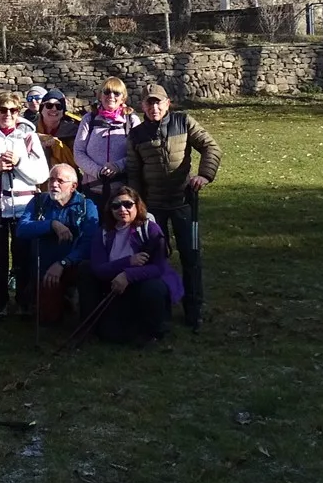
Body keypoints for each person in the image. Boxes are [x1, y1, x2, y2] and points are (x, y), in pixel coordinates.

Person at [127, 83, 222, 330]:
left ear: (168, 103)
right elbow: (134, 173)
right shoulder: (136, 135)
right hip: (152, 208)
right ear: (142, 106)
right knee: (155, 258)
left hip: (183, 203)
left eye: (158, 102)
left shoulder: (184, 121)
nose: (154, 107)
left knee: (191, 257)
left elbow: (211, 147)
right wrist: (138, 207)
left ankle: (194, 309)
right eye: (149, 102)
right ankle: (159, 308)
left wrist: (205, 176)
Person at [0, 92, 49, 319]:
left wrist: (19, 162)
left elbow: (41, 174)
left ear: (18, 113)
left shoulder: (29, 137)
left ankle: (24, 302)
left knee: (23, 255)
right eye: (3, 110)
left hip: (23, 204)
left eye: (12, 111)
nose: (7, 115)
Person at [79, 185, 181, 346]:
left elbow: (159, 267)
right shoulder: (103, 232)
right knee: (85, 269)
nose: (122, 209)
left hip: (142, 283)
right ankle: (89, 325)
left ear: (137, 205)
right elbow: (98, 268)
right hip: (114, 283)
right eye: (116, 206)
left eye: (128, 204)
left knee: (153, 287)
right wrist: (128, 262)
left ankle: (155, 329)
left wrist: (128, 275)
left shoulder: (150, 228)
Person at [15, 164, 99, 325]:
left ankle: (75, 299)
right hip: (45, 269)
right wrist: (51, 224)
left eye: (60, 181)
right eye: (51, 179)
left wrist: (64, 263)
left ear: (73, 186)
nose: (54, 184)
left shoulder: (87, 206)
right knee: (49, 320)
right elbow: (22, 229)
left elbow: (89, 242)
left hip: (73, 265)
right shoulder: (39, 202)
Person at [74, 77, 140, 206]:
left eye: (116, 93)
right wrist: (97, 171)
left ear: (123, 98)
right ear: (100, 96)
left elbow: (138, 152)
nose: (111, 96)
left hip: (123, 192)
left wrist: (118, 166)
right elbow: (78, 152)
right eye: (107, 92)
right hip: (92, 190)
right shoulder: (89, 119)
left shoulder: (131, 120)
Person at [34, 90, 80, 169]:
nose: (54, 109)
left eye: (59, 106)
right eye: (49, 105)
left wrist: (55, 144)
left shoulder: (74, 132)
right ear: (41, 108)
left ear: (63, 111)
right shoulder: (30, 129)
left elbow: (75, 162)